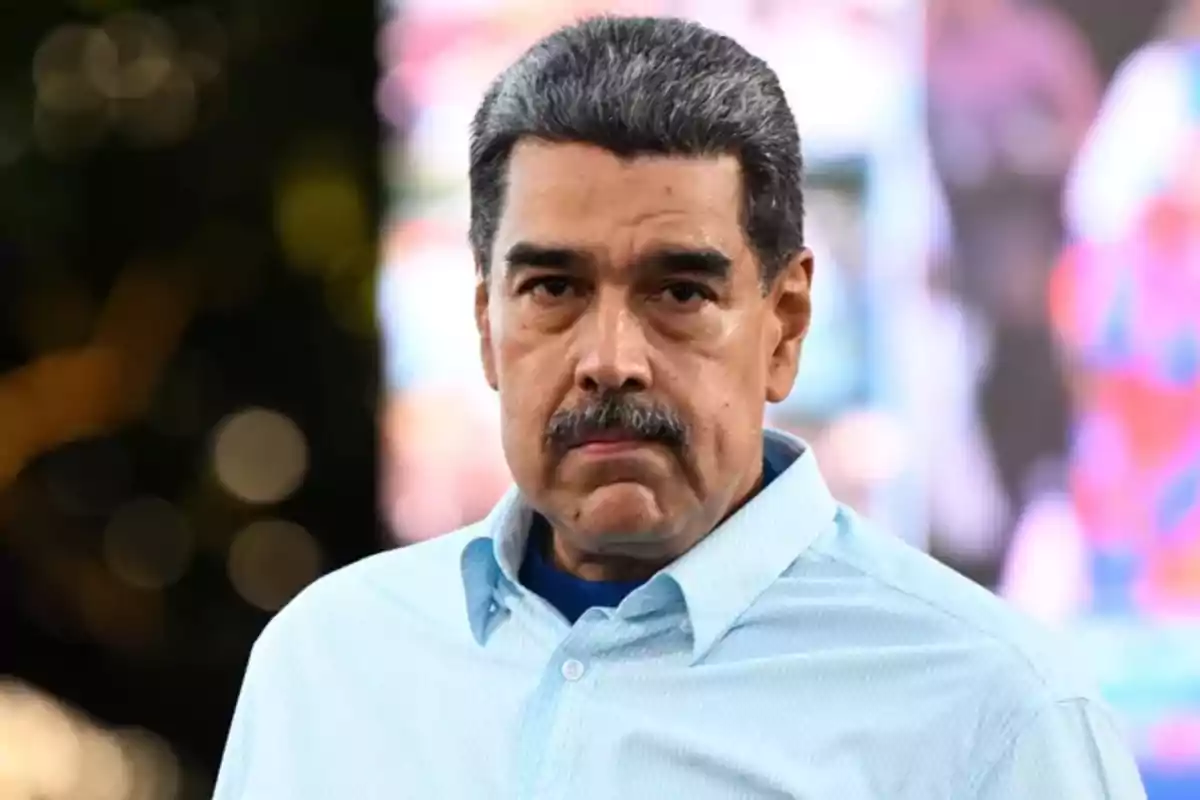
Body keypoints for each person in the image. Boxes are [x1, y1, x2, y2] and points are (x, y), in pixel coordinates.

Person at [212, 16, 1145, 799]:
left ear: (785, 326)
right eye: (552, 288)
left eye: (679, 293)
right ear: (486, 327)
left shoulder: (1000, 714)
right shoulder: (326, 665)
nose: (610, 362)